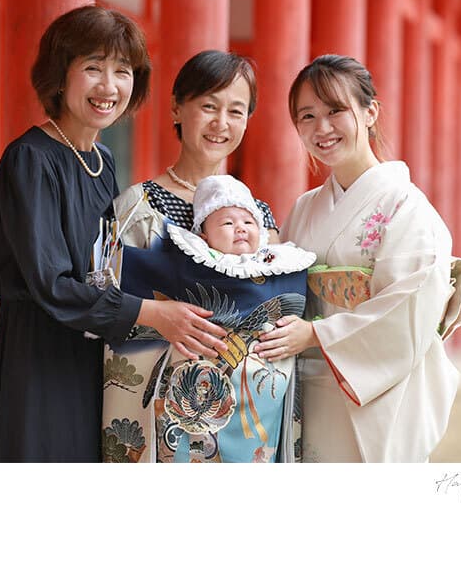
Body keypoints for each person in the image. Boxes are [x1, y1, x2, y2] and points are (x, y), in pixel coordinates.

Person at [0, 5, 227, 463]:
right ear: (60, 75)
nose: (109, 86)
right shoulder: (31, 161)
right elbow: (52, 284)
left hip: (94, 351)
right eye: (93, 68)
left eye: (123, 71)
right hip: (41, 356)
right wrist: (150, 312)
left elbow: (108, 264)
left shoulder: (101, 160)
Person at [254, 54, 461, 463]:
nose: (322, 128)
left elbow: (410, 306)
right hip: (309, 388)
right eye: (307, 116)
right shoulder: (304, 208)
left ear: (370, 112)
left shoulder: (408, 208)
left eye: (336, 111)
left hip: (377, 391)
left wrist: (317, 334)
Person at [101, 175, 316, 463]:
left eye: (248, 222)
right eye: (227, 223)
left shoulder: (279, 261)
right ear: (202, 236)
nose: (240, 227)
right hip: (193, 389)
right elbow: (127, 273)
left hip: (259, 394)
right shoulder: (183, 251)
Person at [113, 49, 280, 247]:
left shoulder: (256, 214)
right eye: (209, 106)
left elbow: (276, 274)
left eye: (235, 111)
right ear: (176, 108)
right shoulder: (142, 204)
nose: (221, 123)